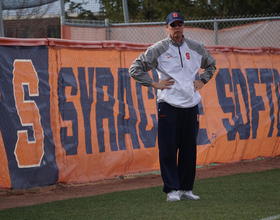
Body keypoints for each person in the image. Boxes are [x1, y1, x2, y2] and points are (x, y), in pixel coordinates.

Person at [129, 12, 216, 202]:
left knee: (188, 148)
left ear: (184, 26)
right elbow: (134, 68)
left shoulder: (195, 47)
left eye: (180, 24)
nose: (177, 28)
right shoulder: (158, 49)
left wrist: (203, 80)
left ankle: (186, 189)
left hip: (191, 104)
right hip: (168, 104)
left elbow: (211, 64)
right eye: (173, 25)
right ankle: (171, 190)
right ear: (166, 27)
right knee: (168, 148)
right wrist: (154, 84)